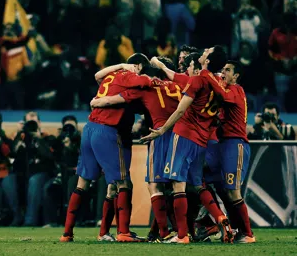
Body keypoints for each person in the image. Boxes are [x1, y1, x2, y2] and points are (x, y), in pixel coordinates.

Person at [140, 46, 233, 244]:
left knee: (177, 184)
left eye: (207, 52)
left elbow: (181, 110)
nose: (204, 52)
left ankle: (182, 235)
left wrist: (163, 130)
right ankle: (220, 219)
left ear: (206, 61)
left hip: (183, 135)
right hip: (201, 140)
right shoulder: (217, 83)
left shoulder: (198, 80)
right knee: (198, 185)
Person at [60, 53, 151, 243]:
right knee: (123, 182)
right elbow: (146, 83)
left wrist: (98, 100)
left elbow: (96, 76)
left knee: (83, 183)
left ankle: (68, 233)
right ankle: (123, 232)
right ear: (139, 66)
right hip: (107, 131)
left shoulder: (112, 75)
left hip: (90, 129)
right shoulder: (130, 77)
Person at [91, 58, 184, 241]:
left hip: (156, 134)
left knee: (152, 184)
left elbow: (116, 97)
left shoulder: (145, 87)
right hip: (183, 135)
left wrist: (98, 102)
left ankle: (162, 233)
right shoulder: (179, 86)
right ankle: (185, 232)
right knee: (181, 186)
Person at [200, 61, 255, 243]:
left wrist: (206, 73)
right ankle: (213, 223)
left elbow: (222, 94)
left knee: (233, 191)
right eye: (223, 69)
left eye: (228, 70)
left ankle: (247, 234)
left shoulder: (236, 90)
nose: (224, 72)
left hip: (236, 144)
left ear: (236, 76)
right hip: (222, 144)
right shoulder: (228, 94)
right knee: (203, 179)